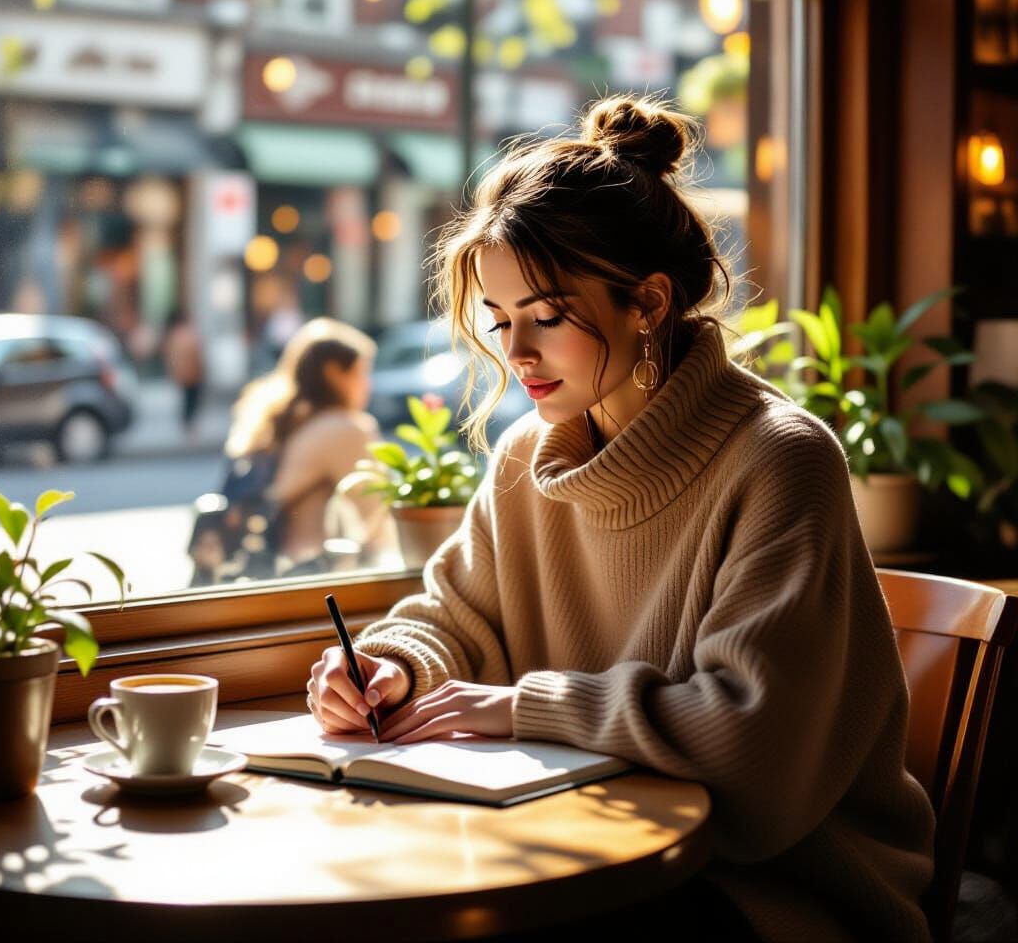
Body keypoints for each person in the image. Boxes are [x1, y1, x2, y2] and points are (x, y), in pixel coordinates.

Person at [305, 95, 936, 942]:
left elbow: (754, 750)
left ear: (647, 302)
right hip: (596, 850)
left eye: (549, 317)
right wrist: (392, 667)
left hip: (778, 893)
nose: (517, 355)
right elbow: (458, 618)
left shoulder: (779, 458)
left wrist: (525, 708)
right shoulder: (531, 458)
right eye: (500, 322)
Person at [223, 317, 396, 573]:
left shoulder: (284, 421)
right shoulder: (344, 428)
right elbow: (378, 515)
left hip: (266, 573)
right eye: (361, 373)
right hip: (309, 576)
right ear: (334, 374)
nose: (367, 385)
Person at [162, 309, 204, 441]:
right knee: (190, 400)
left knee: (188, 400)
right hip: (191, 373)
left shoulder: (175, 335)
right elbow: (197, 354)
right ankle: (188, 425)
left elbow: (170, 355)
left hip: (186, 373)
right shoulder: (188, 334)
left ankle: (187, 425)